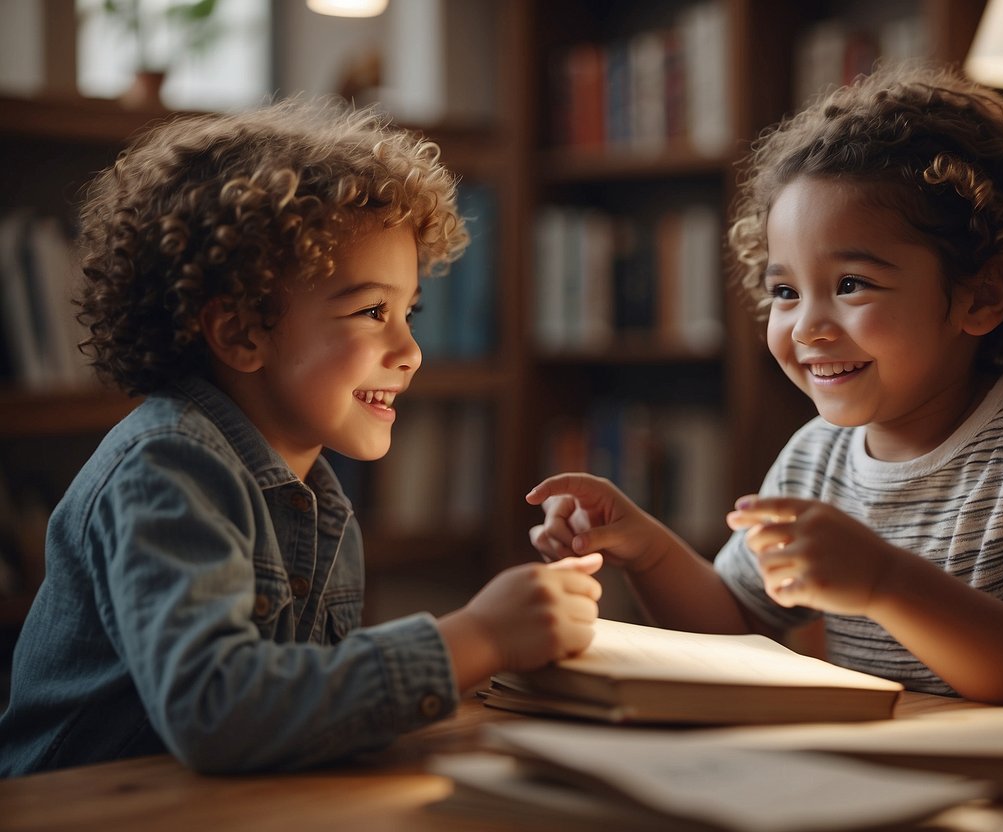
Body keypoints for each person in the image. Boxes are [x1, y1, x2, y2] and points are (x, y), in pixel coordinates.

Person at [528, 65, 1003, 723]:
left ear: (983, 295)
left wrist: (887, 584)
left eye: (852, 284)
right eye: (784, 292)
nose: (808, 327)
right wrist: (645, 547)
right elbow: (737, 622)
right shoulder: (816, 456)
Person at [0, 98, 602, 777]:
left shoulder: (314, 495)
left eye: (409, 311)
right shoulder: (167, 469)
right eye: (372, 311)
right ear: (241, 332)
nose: (410, 351)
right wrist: (476, 637)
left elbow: (293, 713)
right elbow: (217, 711)